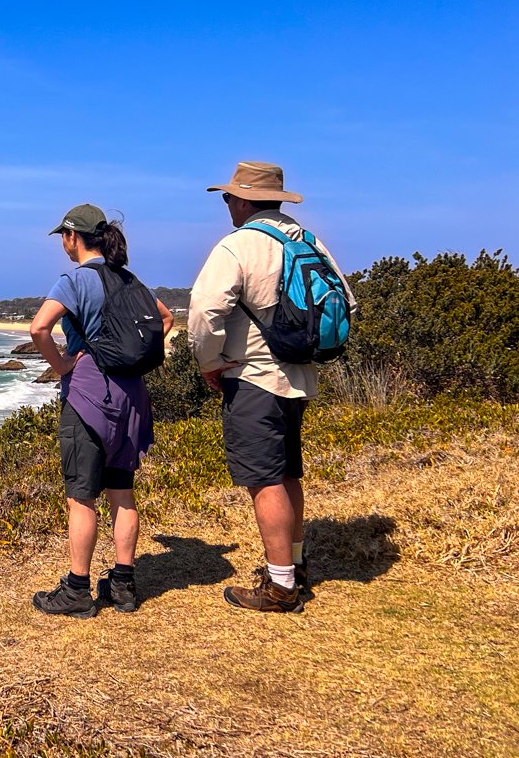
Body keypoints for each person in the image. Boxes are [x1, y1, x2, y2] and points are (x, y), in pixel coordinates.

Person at [189, 161, 356, 612]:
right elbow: (346, 300)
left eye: (227, 198)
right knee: (286, 473)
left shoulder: (238, 245)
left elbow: (205, 314)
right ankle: (294, 564)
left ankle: (281, 587)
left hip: (253, 377)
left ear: (243, 200)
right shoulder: (307, 239)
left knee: (263, 479)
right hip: (299, 379)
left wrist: (211, 363)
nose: (227, 206)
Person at [29, 205, 175, 618]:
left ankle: (77, 589)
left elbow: (39, 328)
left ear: (73, 237)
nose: (62, 242)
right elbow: (164, 319)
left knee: (81, 497)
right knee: (122, 492)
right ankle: (124, 585)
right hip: (132, 398)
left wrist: (62, 366)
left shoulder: (75, 280)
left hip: (90, 396)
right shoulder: (129, 279)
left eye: (64, 235)